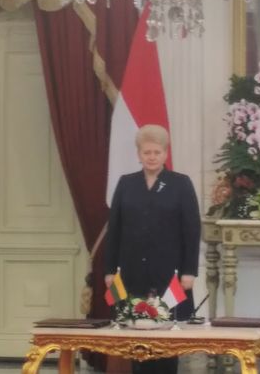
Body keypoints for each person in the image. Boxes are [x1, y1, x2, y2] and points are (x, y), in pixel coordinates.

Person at [104, 124, 201, 374]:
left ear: (165, 154)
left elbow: (192, 231)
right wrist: (109, 270)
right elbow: (114, 230)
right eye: (146, 152)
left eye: (157, 152)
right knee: (135, 339)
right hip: (132, 274)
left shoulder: (180, 184)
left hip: (171, 275)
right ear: (139, 154)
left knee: (167, 342)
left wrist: (190, 271)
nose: (151, 156)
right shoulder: (126, 184)